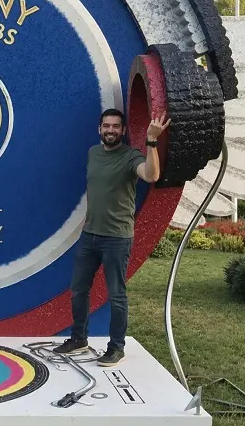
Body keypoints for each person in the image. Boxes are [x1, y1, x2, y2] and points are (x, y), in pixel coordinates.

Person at [54, 108, 170, 366]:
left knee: (116, 295)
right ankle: (79, 338)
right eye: (106, 126)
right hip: (89, 235)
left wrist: (152, 141)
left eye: (116, 126)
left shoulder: (131, 156)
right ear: (100, 129)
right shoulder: (93, 153)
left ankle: (116, 347)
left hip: (116, 238)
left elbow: (151, 175)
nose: (110, 130)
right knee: (78, 290)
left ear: (123, 130)